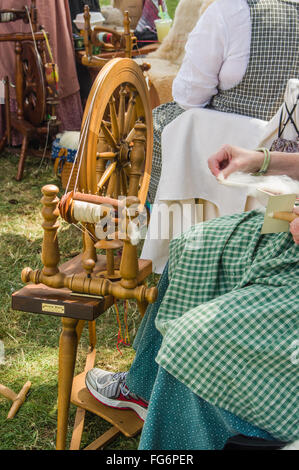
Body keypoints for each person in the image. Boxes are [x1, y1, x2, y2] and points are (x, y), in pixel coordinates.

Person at [86, 146, 299, 449]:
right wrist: (262, 160)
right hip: (287, 218)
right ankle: (145, 388)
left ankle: (199, 419)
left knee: (191, 341)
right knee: (194, 244)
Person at [147, 0, 299, 203]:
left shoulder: (231, 10)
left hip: (224, 147)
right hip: (289, 146)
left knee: (158, 124)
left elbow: (189, 97)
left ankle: (165, 216)